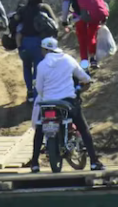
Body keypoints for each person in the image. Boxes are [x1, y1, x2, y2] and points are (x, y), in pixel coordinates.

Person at [26, 37, 103, 172]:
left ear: (44, 50)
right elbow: (84, 78)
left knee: (39, 130)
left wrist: (47, 97)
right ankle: (94, 162)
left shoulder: (42, 65)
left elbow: (38, 88)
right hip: (67, 102)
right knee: (83, 128)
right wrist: (85, 83)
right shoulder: (68, 59)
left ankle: (34, 163)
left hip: (47, 103)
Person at [13, 0, 59, 102]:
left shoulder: (23, 10)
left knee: (27, 67)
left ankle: (29, 92)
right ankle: (35, 93)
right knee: (38, 70)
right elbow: (54, 24)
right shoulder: (44, 8)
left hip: (24, 42)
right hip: (39, 43)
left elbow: (15, 21)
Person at [60, 0, 108, 69]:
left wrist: (64, 21)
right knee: (92, 37)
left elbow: (65, 7)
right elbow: (98, 1)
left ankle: (84, 65)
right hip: (92, 17)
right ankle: (93, 60)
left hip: (79, 18)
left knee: (82, 41)